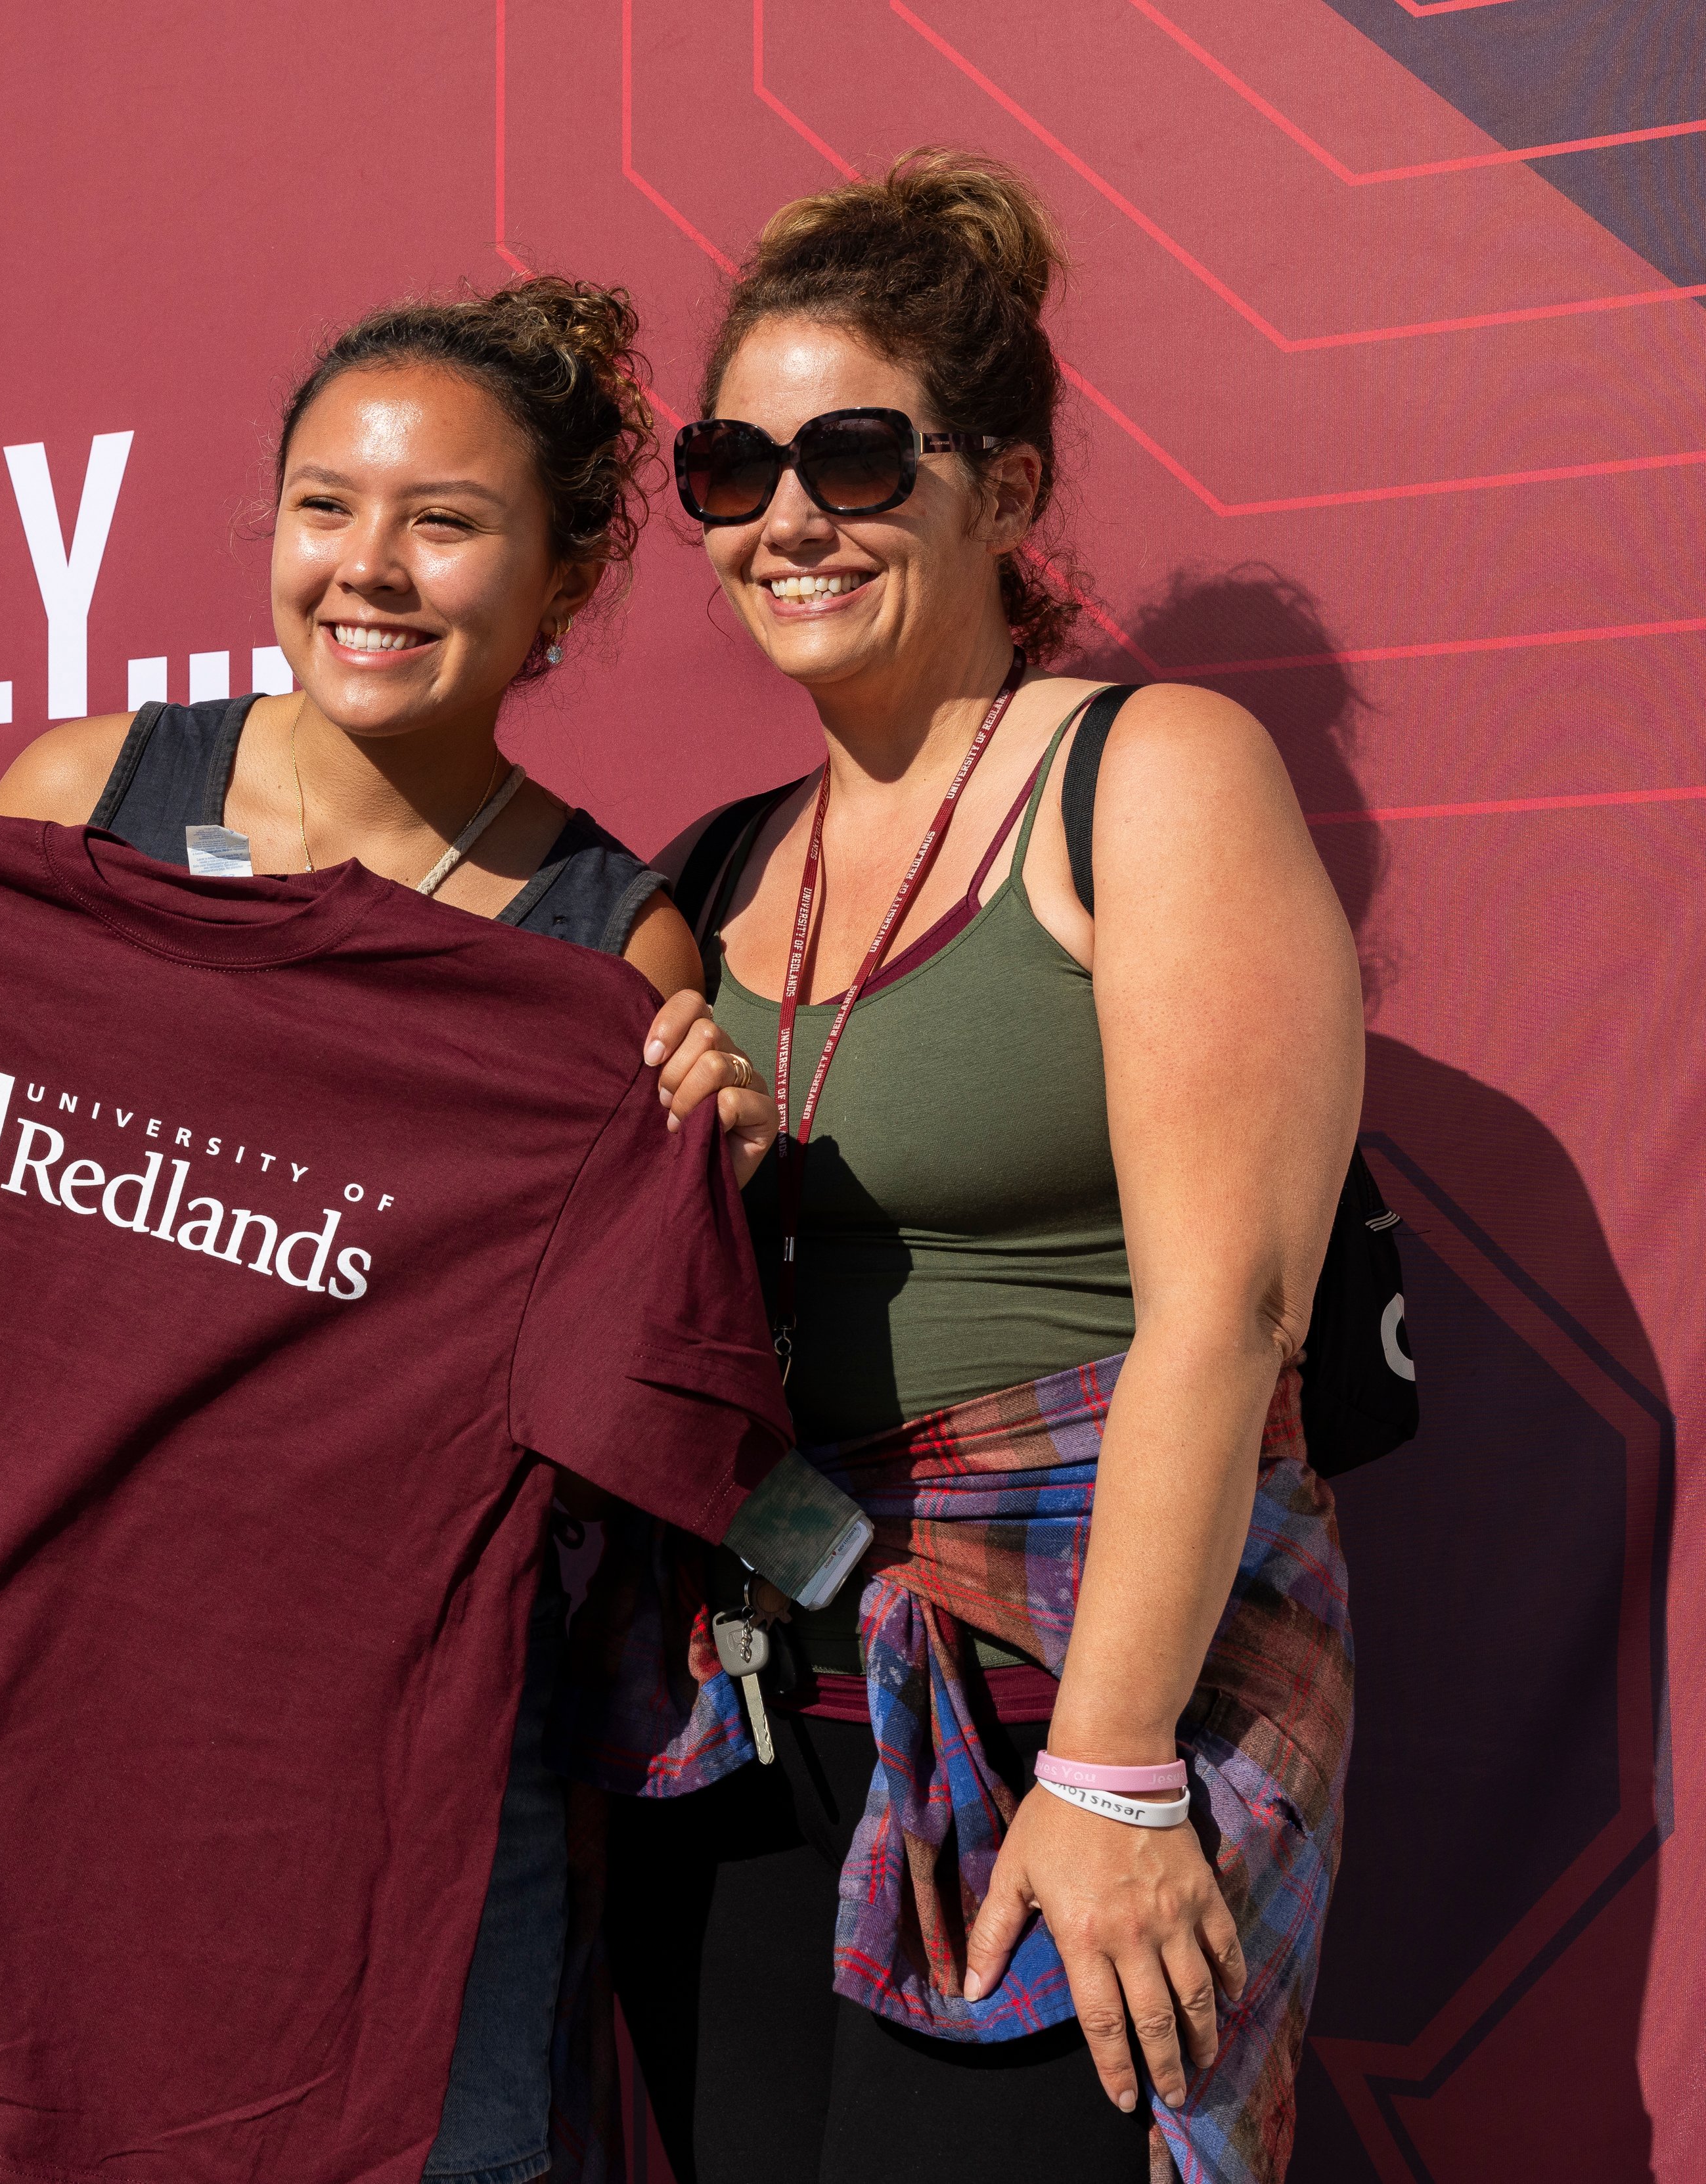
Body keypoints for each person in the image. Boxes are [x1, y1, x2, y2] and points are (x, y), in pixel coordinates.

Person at [0, 277, 774, 2184]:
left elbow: (624, 1429)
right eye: (324, 506)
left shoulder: (612, 958)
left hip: (389, 1809)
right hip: (46, 1747)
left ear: (564, 578)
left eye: (446, 522)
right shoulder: (81, 800)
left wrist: (707, 1175)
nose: (370, 568)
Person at [561, 150, 1360, 2183]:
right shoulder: (707, 870)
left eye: (854, 457)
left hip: (1062, 1716)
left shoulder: (1148, 778)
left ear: (1006, 489)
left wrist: (1111, 1777)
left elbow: (1228, 1313)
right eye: (731, 469)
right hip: (754, 1728)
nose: (786, 519)